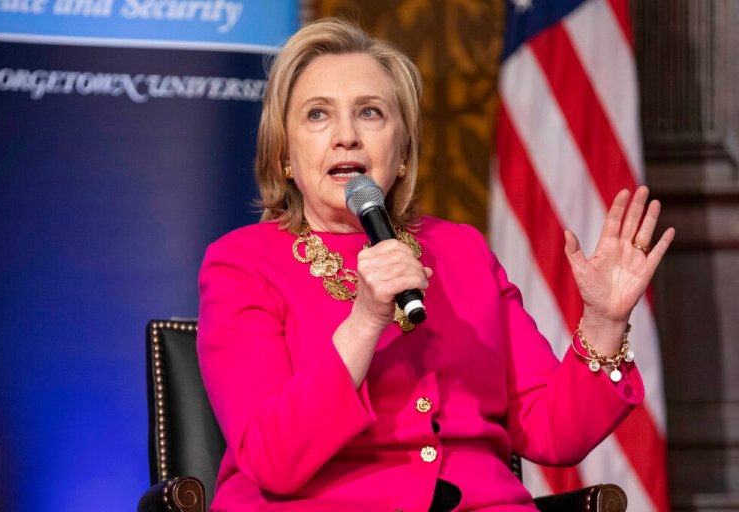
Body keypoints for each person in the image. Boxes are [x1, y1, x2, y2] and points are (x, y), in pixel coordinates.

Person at [197, 18, 675, 512]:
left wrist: (603, 322)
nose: (346, 136)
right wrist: (364, 321)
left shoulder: (462, 252)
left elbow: (551, 431)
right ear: (283, 157)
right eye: (317, 115)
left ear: (402, 152)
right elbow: (273, 459)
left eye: (370, 113)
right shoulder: (241, 265)